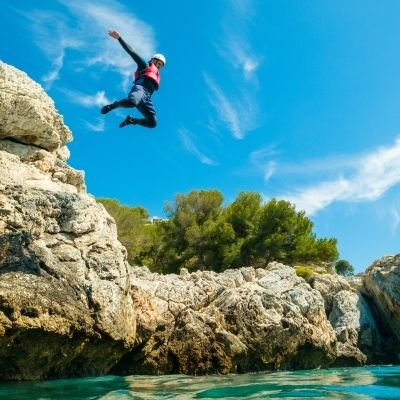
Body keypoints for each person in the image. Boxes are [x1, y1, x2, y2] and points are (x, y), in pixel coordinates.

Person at [100, 29, 166, 128]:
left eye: (161, 65)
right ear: (152, 60)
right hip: (140, 89)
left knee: (153, 123)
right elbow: (132, 53)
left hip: (147, 98)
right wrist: (119, 38)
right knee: (132, 102)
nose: (159, 65)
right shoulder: (145, 66)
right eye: (158, 62)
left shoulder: (157, 75)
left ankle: (131, 120)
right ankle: (114, 105)